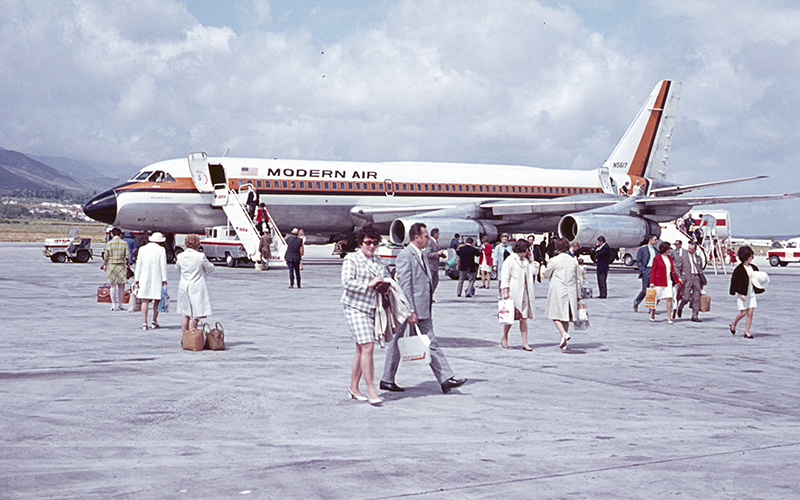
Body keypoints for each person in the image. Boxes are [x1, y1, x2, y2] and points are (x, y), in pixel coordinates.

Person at [380, 223, 466, 394]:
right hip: (409, 309)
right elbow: (405, 285)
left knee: (430, 341)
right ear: (417, 237)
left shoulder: (422, 255)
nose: (429, 239)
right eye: (426, 236)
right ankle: (387, 379)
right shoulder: (406, 255)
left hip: (423, 307)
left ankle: (446, 379)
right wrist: (410, 310)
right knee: (397, 341)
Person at [341, 225, 389, 405]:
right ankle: (371, 389)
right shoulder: (351, 259)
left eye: (375, 243)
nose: (372, 246)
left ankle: (353, 387)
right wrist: (369, 284)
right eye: (368, 243)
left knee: (361, 350)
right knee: (368, 346)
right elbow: (347, 282)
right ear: (361, 242)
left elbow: (384, 278)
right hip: (354, 307)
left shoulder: (378, 260)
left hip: (371, 308)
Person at [543, 238, 581, 350]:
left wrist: (543, 268)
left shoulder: (554, 260)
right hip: (571, 291)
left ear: (557, 248)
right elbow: (578, 278)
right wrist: (578, 295)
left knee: (554, 315)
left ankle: (564, 334)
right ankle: (564, 338)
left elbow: (546, 274)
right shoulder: (573, 260)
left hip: (558, 291)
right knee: (566, 317)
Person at [501, 239, 538, 351]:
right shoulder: (510, 260)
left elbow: (534, 272)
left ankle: (524, 342)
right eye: (526, 249)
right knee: (510, 318)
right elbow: (505, 277)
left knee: (524, 318)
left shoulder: (525, 262)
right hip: (513, 292)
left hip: (525, 294)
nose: (528, 251)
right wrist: (505, 292)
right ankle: (505, 337)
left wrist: (532, 261)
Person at [175, 235, 214, 337]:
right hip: (197, 286)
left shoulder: (180, 256)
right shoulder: (200, 256)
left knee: (185, 314)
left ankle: (184, 338)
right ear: (197, 244)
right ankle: (192, 337)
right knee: (196, 315)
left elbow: (177, 269)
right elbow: (209, 269)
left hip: (184, 286)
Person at [135, 232, 168, 330]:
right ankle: (154, 320)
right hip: (157, 276)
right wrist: (164, 279)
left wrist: (137, 279)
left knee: (145, 299)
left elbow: (139, 265)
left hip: (144, 276)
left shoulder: (142, 249)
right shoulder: (161, 250)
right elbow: (163, 266)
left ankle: (144, 322)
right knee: (157, 299)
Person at [729, 246, 764, 339]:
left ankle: (747, 332)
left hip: (751, 293)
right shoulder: (739, 269)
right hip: (743, 294)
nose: (751, 258)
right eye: (750, 256)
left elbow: (757, 279)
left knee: (751, 312)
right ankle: (734, 324)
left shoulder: (754, 268)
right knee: (743, 312)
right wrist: (741, 293)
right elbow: (736, 282)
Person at [675, 241, 707, 322]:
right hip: (687, 278)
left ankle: (694, 315)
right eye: (689, 248)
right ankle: (681, 306)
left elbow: (700, 269)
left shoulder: (698, 258)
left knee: (696, 297)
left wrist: (702, 282)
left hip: (696, 278)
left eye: (692, 249)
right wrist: (680, 277)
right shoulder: (683, 258)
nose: (690, 250)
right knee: (686, 297)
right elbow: (678, 269)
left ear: (695, 250)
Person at [102, 227, 130, 311]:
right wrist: (128, 263)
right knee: (121, 286)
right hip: (121, 265)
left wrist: (104, 265)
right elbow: (127, 255)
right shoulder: (124, 243)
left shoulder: (109, 243)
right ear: (120, 234)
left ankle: (113, 305)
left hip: (112, 265)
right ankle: (120, 304)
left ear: (112, 234)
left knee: (112, 286)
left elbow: (106, 256)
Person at [649, 241, 676, 324]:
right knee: (657, 298)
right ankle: (652, 312)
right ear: (665, 249)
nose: (670, 251)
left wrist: (676, 279)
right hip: (659, 281)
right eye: (669, 249)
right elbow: (653, 271)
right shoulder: (657, 258)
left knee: (669, 298)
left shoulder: (670, 258)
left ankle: (669, 317)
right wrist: (652, 282)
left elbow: (672, 270)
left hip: (668, 281)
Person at [633, 235, 658, 312]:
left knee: (653, 290)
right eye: (655, 239)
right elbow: (638, 260)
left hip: (654, 270)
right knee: (645, 290)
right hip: (646, 269)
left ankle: (651, 308)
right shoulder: (643, 249)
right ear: (650, 240)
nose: (656, 241)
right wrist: (643, 270)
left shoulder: (656, 250)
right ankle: (636, 301)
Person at [425, 228, 445, 294]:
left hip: (435, 266)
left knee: (435, 281)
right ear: (435, 234)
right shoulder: (430, 242)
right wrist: (437, 254)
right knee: (431, 281)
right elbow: (428, 254)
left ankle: (430, 295)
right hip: (431, 265)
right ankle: (428, 295)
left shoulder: (436, 242)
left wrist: (442, 255)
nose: (439, 235)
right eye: (438, 234)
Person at [492, 233, 512, 298]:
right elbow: (495, 256)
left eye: (506, 239)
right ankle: (499, 292)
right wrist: (494, 265)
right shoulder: (498, 247)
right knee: (501, 279)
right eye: (503, 239)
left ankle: (508, 292)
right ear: (501, 239)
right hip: (501, 264)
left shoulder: (509, 247)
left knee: (508, 279)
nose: (504, 240)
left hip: (508, 264)